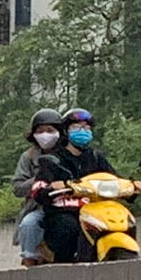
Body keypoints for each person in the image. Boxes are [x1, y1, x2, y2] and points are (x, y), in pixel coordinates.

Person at [13, 107, 110, 265]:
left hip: (77, 203)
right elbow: (18, 187)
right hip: (42, 206)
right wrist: (42, 182)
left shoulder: (76, 153)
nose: (45, 135)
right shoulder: (29, 157)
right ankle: (29, 259)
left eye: (50, 130)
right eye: (41, 131)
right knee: (29, 224)